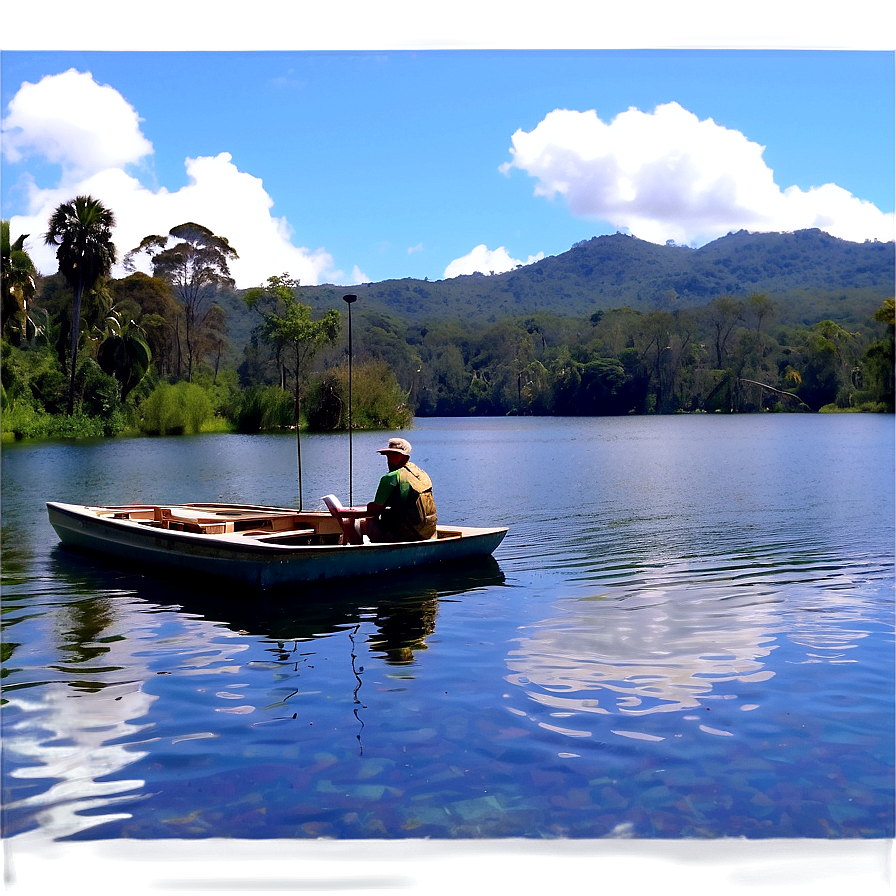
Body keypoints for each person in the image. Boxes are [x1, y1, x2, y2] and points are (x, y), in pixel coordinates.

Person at [351, 437, 437, 543]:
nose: (389, 458)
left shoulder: (390, 478)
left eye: (393, 455)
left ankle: (363, 551)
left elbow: (375, 510)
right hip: (428, 531)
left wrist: (364, 509)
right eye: (388, 455)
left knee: (368, 521)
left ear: (403, 457)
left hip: (410, 533)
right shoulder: (420, 473)